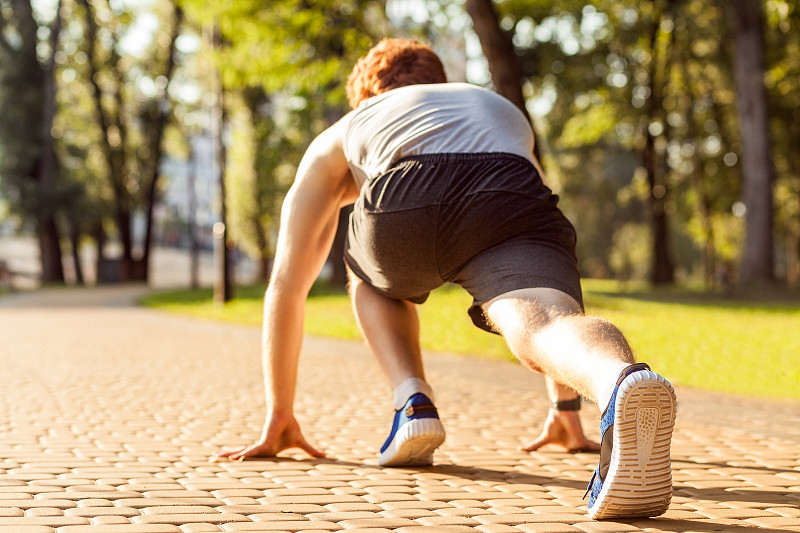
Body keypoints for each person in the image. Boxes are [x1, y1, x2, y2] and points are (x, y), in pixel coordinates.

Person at [214, 38, 677, 520]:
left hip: (403, 198)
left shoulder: (353, 123)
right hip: (507, 186)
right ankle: (619, 381)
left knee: (369, 275)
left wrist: (280, 416)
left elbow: (287, 284)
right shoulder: (492, 107)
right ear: (441, 82)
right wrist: (565, 410)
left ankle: (412, 402)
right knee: (544, 320)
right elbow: (546, 236)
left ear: (368, 94)